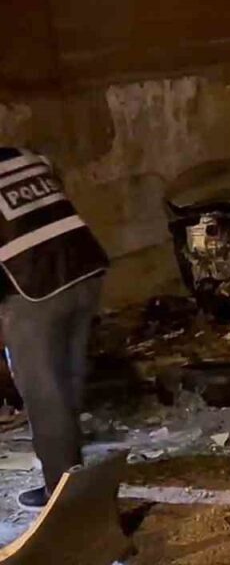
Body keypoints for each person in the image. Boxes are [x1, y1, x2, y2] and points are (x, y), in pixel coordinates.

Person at [0, 146, 109, 510]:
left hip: (37, 287)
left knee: (45, 395)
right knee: (68, 379)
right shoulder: (23, 155)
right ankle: (72, 468)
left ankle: (63, 496)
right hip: (85, 266)